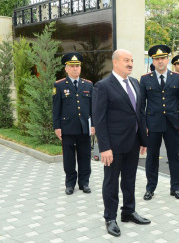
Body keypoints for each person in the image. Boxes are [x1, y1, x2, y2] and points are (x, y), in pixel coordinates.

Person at [92, 49, 150, 237]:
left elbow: (139, 113)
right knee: (111, 182)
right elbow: (99, 119)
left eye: (132, 60)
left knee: (130, 179)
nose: (130, 63)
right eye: (126, 60)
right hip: (113, 146)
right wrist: (105, 147)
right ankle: (110, 218)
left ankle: (128, 211)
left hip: (132, 142)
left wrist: (143, 139)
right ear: (115, 62)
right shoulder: (103, 86)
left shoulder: (134, 83)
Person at [140, 45, 179, 201]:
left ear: (167, 60)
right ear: (152, 61)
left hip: (172, 124)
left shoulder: (177, 77)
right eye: (156, 59)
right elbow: (141, 105)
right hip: (152, 124)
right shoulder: (145, 79)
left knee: (174, 157)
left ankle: (176, 188)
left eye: (162, 58)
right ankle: (150, 188)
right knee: (151, 157)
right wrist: (143, 125)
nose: (160, 61)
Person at [53, 52, 94, 195]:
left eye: (77, 66)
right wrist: (57, 127)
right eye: (72, 66)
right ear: (66, 68)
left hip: (84, 128)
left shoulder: (88, 85)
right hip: (67, 128)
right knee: (69, 158)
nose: (75, 69)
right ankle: (70, 184)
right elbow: (56, 108)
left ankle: (84, 183)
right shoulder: (59, 85)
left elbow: (92, 107)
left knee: (85, 157)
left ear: (80, 68)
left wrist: (93, 125)